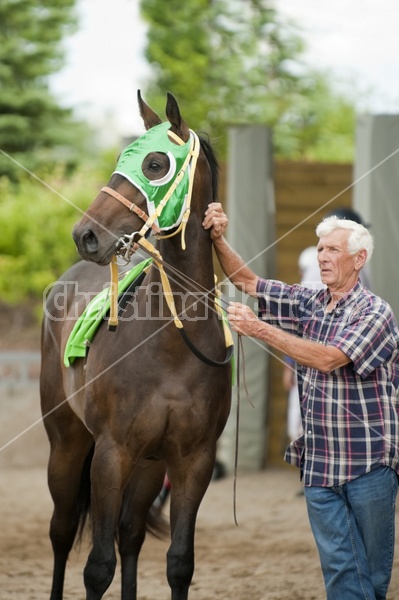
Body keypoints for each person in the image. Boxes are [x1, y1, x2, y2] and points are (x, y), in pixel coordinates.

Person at [203, 203, 399, 600]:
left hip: (369, 466)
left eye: (333, 250)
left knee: (372, 579)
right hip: (320, 465)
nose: (322, 257)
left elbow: (329, 359)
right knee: (343, 570)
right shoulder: (309, 301)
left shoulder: (375, 312)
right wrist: (218, 238)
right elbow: (247, 280)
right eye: (320, 248)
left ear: (359, 259)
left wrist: (260, 329)